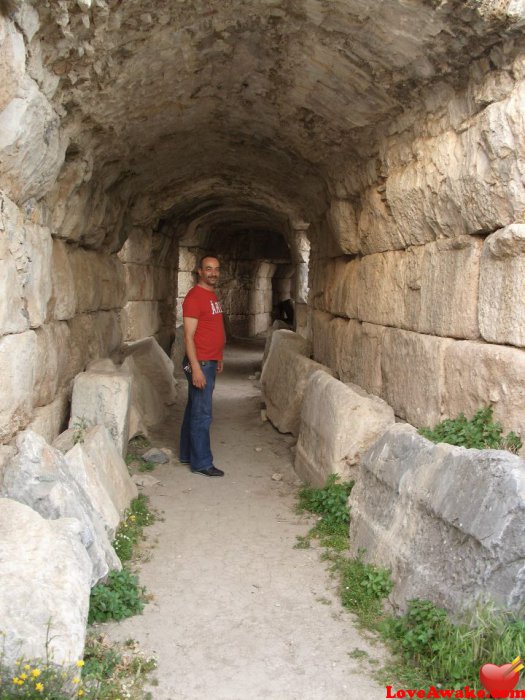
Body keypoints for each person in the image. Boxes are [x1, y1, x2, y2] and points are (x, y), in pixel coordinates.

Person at [179, 255, 225, 477]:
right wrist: (196, 368)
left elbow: (212, 328)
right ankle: (202, 462)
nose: (213, 273)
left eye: (216, 269)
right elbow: (188, 337)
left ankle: (187, 454)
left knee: (194, 409)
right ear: (199, 271)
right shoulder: (194, 297)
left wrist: (219, 356)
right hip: (201, 362)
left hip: (209, 359)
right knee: (202, 413)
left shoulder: (211, 295)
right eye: (208, 269)